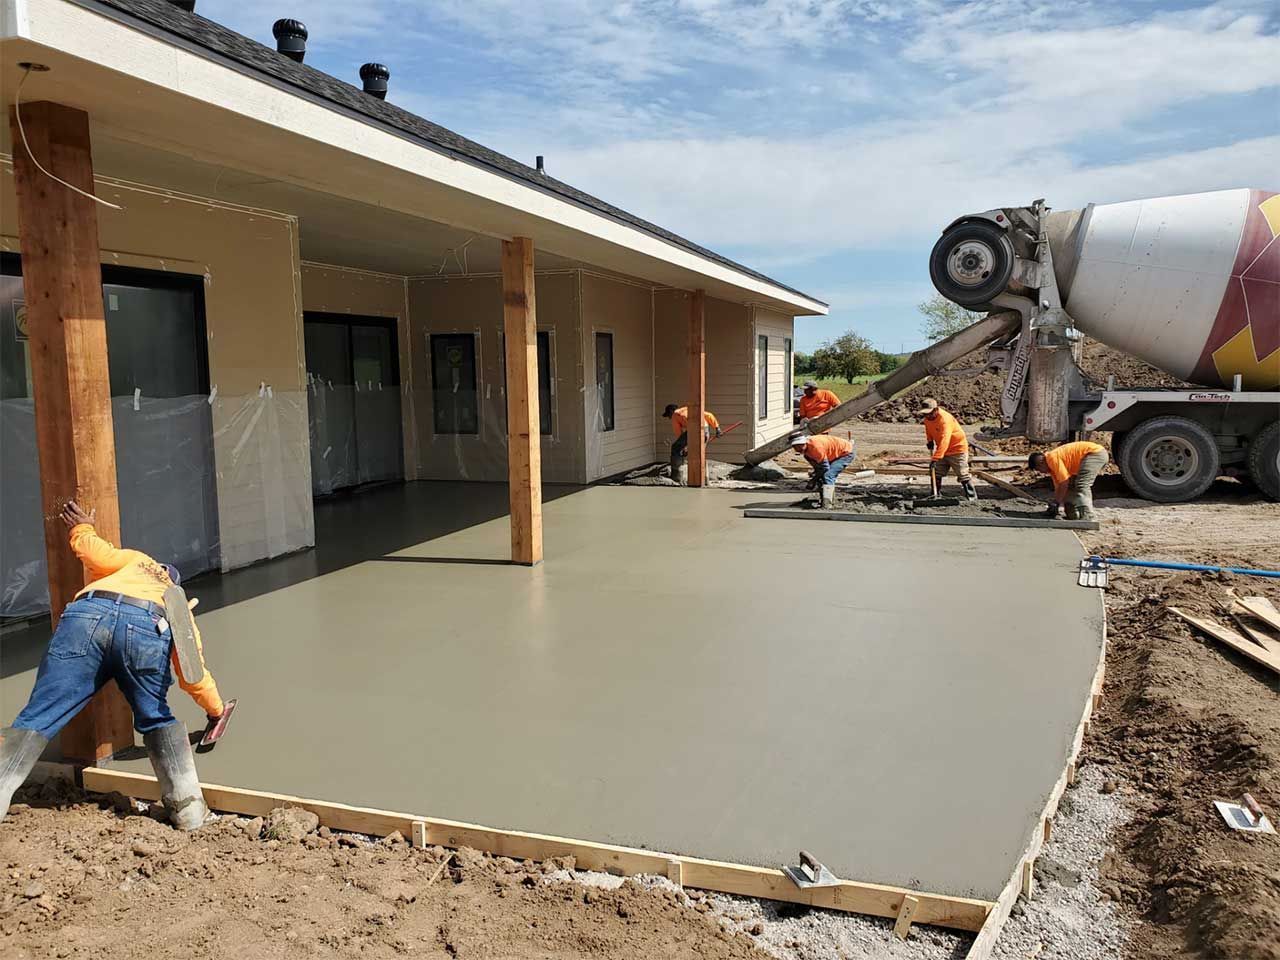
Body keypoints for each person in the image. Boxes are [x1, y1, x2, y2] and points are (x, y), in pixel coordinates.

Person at [0, 501, 224, 829]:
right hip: (148, 624)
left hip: (86, 617)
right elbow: (193, 673)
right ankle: (189, 812)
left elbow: (95, 554)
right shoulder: (178, 606)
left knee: (38, 715)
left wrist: (82, 528)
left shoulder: (137, 561)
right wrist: (216, 711)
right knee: (154, 714)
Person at [1028, 441, 1109, 521]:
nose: (1041, 472)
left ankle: (1088, 515)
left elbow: (1064, 483)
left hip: (1094, 453)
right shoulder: (1052, 468)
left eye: (1039, 470)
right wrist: (1055, 503)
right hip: (1091, 455)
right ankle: (1075, 515)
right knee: (1070, 488)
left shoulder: (1052, 458)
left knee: (1082, 484)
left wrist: (1057, 503)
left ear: (1041, 463)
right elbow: (1059, 487)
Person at [915, 397, 977, 501]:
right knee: (936, 472)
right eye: (925, 414)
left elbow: (945, 440)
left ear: (936, 409)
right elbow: (929, 429)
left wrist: (936, 458)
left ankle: (972, 497)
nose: (927, 416)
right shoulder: (927, 419)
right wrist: (930, 440)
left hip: (957, 449)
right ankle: (935, 494)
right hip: (943, 450)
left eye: (929, 413)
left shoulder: (944, 419)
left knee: (963, 473)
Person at [790, 431, 855, 509]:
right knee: (820, 475)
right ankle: (825, 499)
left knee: (828, 475)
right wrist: (815, 476)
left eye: (799, 446)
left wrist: (813, 480)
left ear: (805, 443)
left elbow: (825, 468)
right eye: (795, 447)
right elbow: (818, 468)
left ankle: (827, 504)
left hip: (845, 453)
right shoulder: (807, 453)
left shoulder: (816, 448)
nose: (797, 449)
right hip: (831, 453)